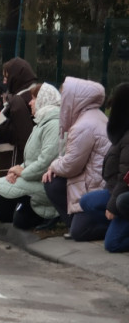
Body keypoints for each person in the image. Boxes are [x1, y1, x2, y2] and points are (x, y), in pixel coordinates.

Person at [42, 77, 110, 240]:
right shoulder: (97, 116)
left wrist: (53, 165)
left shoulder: (83, 125)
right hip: (97, 183)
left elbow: (71, 165)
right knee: (54, 181)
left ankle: (102, 225)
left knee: (80, 232)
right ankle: (76, 223)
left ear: (73, 99)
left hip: (94, 187)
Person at [68, 83, 129, 251]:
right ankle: (115, 224)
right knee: (87, 201)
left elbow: (126, 176)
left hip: (122, 194)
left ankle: (119, 225)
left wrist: (112, 206)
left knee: (112, 244)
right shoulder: (122, 133)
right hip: (114, 190)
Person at [0, 83, 59, 229]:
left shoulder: (53, 125)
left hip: (43, 182)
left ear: (44, 101)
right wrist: (16, 169)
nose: (30, 102)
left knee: (17, 219)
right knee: (5, 209)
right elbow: (32, 158)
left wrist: (23, 173)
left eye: (34, 98)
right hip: (33, 177)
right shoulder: (41, 124)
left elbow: (46, 160)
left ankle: (48, 216)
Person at [0, 56, 37, 170]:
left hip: (13, 163)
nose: (4, 81)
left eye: (7, 77)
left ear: (16, 77)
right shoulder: (24, 97)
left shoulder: (20, 100)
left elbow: (15, 134)